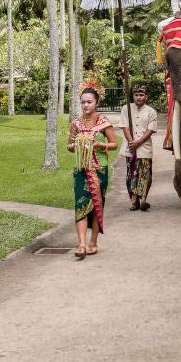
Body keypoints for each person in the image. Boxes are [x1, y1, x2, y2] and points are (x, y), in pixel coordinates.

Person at [67, 74, 118, 259]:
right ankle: (81, 244)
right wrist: (77, 145)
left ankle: (93, 242)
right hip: (81, 169)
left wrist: (99, 145)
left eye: (89, 102)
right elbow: (69, 146)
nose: (86, 105)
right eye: (83, 102)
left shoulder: (103, 122)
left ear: (96, 102)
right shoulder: (76, 124)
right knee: (80, 204)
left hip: (99, 170)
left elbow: (114, 144)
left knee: (97, 205)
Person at [119, 84, 158, 211]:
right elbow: (125, 126)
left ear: (146, 96)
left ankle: (143, 201)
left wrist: (138, 142)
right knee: (131, 175)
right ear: (133, 96)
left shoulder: (151, 112)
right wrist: (131, 142)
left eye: (141, 95)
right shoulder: (126, 109)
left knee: (145, 175)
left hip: (145, 149)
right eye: (136, 95)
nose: (139, 97)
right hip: (130, 148)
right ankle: (134, 201)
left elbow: (150, 130)